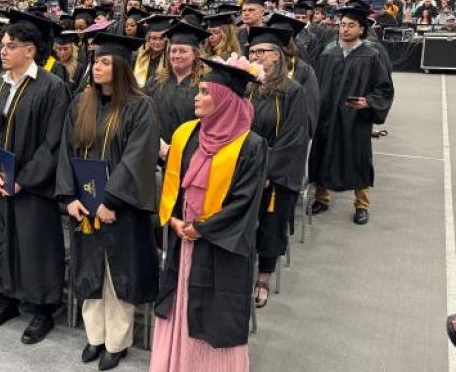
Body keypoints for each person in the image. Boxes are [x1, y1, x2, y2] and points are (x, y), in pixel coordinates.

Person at [150, 55, 268, 372]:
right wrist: (173, 218)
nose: (197, 97)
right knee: (180, 301)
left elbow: (245, 202)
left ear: (225, 100)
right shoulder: (186, 133)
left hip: (220, 244)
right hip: (183, 238)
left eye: (205, 92)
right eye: (198, 90)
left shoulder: (250, 145)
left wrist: (204, 228)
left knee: (214, 313)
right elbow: (173, 185)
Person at [56, 31, 160, 370]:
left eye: (103, 62)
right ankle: (95, 337)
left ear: (120, 67)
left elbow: (137, 158)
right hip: (85, 206)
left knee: (117, 276)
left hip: (120, 209)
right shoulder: (80, 103)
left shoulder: (140, 107)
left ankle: (116, 342)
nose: (95, 67)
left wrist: (111, 200)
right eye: (95, 61)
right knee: (90, 272)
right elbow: (65, 151)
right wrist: (69, 196)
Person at [0, 19, 71, 345]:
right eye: (2, 45)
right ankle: (7, 302)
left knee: (35, 246)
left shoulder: (52, 87)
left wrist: (24, 179)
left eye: (10, 46)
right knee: (2, 240)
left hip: (32, 185)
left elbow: (53, 142)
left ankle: (43, 310)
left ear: (30, 51)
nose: (3, 50)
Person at [309, 5, 395, 225]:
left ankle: (361, 205)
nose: (345, 29)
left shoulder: (371, 55)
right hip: (327, 116)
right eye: (342, 25)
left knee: (357, 158)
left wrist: (369, 102)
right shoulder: (328, 52)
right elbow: (316, 85)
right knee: (323, 153)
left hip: (355, 119)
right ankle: (322, 198)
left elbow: (384, 89)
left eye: (351, 25)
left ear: (361, 29)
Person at [245, 26, 309, 308]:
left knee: (270, 225)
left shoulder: (292, 92)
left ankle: (263, 278)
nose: (256, 56)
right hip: (243, 171)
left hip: (275, 175)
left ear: (277, 56)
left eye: (262, 52)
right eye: (252, 52)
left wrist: (268, 172)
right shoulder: (246, 86)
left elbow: (294, 139)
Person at [149, 21, 208, 155]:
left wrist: (175, 149)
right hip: (154, 151)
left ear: (195, 55)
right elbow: (144, 115)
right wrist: (157, 143)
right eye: (173, 51)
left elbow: (206, 124)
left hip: (189, 154)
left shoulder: (204, 85)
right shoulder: (155, 81)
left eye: (183, 51)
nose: (176, 55)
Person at [134, 15, 172, 89]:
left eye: (161, 38)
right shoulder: (137, 57)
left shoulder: (169, 62)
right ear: (148, 39)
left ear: (167, 40)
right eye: (154, 38)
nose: (157, 42)